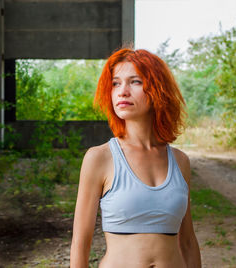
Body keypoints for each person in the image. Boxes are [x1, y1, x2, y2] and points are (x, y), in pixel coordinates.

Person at [70, 48, 201, 267]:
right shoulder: (99, 158)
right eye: (115, 83)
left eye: (135, 82)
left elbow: (187, 242)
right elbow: (80, 243)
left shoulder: (180, 161)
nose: (122, 91)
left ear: (157, 89)